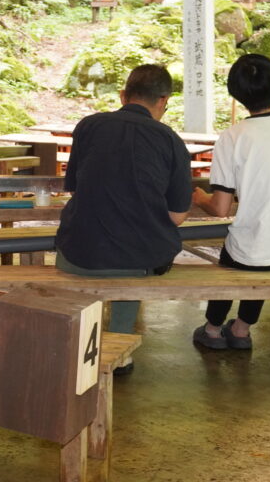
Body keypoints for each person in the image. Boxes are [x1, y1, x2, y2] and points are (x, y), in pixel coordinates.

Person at [54, 64, 192, 369]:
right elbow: (178, 216)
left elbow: (76, 187)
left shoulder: (88, 126)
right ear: (163, 101)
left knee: (110, 243)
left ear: (122, 95)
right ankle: (119, 348)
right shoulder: (170, 140)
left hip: (75, 256)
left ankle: (83, 345)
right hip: (135, 262)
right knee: (135, 250)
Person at [191, 54, 270, 350]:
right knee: (259, 241)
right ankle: (242, 329)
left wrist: (200, 197)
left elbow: (220, 208)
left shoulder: (234, 136)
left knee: (242, 251)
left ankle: (213, 329)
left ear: (236, 93)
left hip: (254, 256)